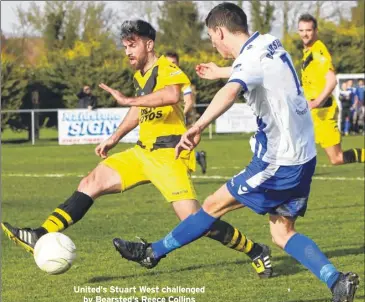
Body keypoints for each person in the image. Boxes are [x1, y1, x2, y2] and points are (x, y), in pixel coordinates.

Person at [112, 4, 359, 302]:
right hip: (303, 157)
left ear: (219, 32)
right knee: (282, 233)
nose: (213, 44)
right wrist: (221, 71)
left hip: (278, 162)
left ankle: (152, 253)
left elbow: (230, 93)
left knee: (213, 204)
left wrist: (198, 125)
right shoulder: (269, 42)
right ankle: (336, 281)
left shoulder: (249, 60)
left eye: (211, 38)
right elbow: (256, 69)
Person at [1, 19, 273, 280]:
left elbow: (172, 95)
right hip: (142, 152)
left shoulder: (166, 67)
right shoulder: (140, 75)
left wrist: (129, 98)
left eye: (132, 45)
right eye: (125, 46)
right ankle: (41, 232)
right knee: (91, 181)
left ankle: (256, 250)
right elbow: (139, 109)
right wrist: (115, 137)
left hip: (169, 156)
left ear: (149, 44)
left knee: (195, 221)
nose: (128, 51)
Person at [298, 14, 364, 164]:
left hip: (323, 112)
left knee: (337, 158)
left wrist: (316, 102)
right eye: (301, 30)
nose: (305, 34)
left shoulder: (318, 51)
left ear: (315, 31)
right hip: (312, 113)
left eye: (308, 30)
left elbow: (332, 80)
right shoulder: (307, 52)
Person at [165, 51, 207, 174]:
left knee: (179, 144)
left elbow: (189, 101)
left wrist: (180, 115)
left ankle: (190, 163)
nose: (170, 66)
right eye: (167, 63)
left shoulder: (182, 79)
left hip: (181, 118)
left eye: (173, 63)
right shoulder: (161, 78)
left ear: (178, 64)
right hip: (167, 119)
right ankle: (198, 156)